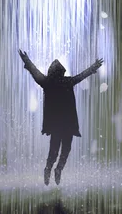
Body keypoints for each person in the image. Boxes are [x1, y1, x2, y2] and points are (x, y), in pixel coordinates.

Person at [18, 49, 103, 185]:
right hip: (64, 123)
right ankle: (52, 169)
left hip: (61, 124)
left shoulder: (51, 82)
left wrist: (26, 60)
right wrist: (94, 67)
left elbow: (35, 72)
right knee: (59, 149)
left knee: (60, 149)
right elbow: (81, 76)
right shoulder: (59, 82)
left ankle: (54, 170)